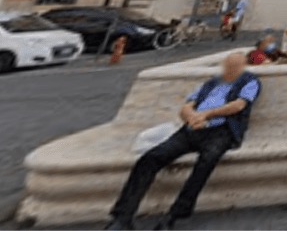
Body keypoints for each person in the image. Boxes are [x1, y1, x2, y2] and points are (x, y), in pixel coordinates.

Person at [105, 52, 261, 230]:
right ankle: (122, 217)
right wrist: (192, 117)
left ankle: (173, 216)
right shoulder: (212, 82)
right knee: (150, 158)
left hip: (221, 131)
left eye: (235, 65)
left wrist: (206, 115)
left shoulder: (250, 81)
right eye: (228, 64)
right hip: (191, 128)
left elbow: (239, 105)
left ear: (243, 66)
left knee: (205, 163)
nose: (230, 68)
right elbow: (186, 107)